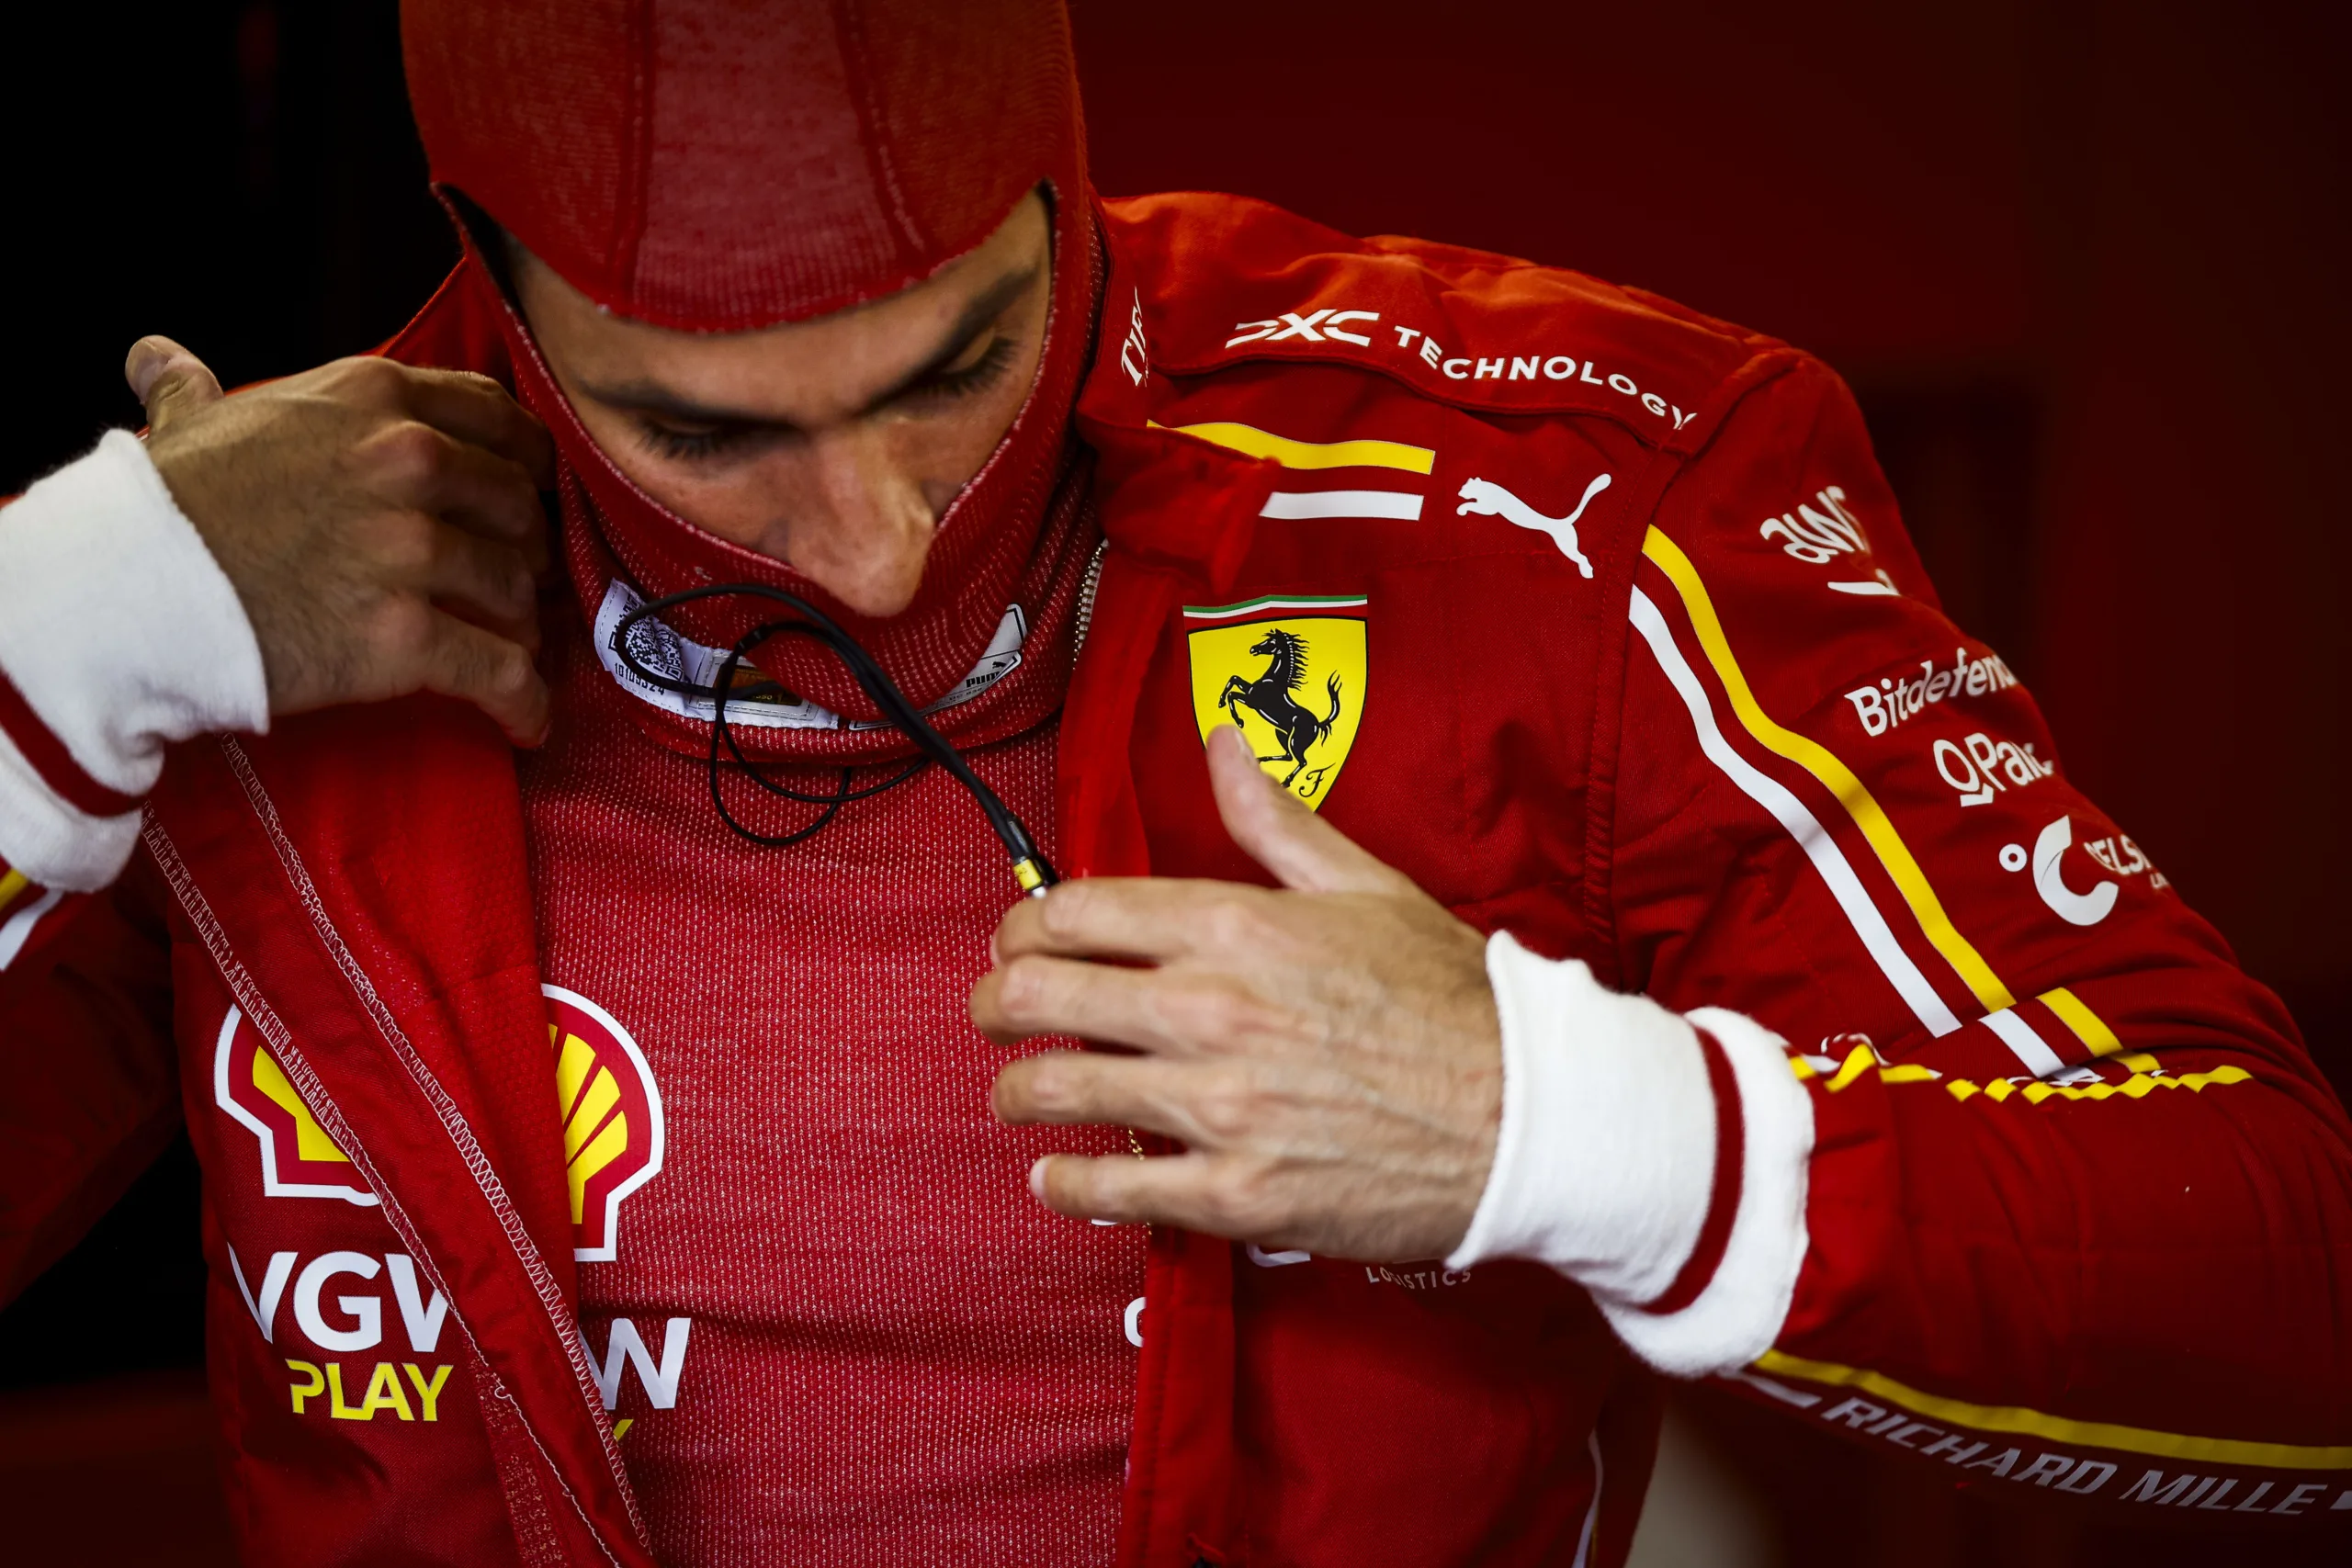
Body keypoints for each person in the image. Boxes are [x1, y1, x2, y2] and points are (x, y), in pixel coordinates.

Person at [1, 1, 2346, 1563]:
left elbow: (2291, 1299)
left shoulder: (1564, 499)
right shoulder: (215, 596)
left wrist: (1553, 1127)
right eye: (699, 429)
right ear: (491, 293)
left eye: (957, 367)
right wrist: (47, 642)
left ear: (1064, 185)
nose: (873, 542)